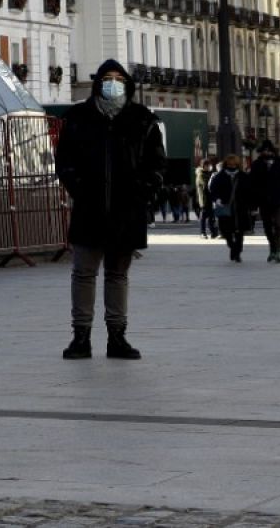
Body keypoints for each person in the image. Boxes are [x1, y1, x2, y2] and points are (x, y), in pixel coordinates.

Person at [55, 60, 164, 361]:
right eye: (107, 78)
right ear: (97, 83)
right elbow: (63, 159)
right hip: (89, 209)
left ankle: (117, 336)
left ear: (126, 83)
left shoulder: (142, 120)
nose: (112, 82)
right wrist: (78, 187)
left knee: (117, 275)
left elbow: (156, 164)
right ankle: (81, 336)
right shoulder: (78, 117)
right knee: (83, 273)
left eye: (118, 78)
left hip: (126, 211)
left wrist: (143, 191)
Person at [207, 153, 250, 263]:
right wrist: (217, 199)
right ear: (226, 164)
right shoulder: (220, 176)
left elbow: (250, 191)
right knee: (226, 231)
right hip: (225, 207)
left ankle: (237, 251)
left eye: (234, 164)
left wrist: (251, 204)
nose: (232, 166)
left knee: (240, 232)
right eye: (230, 164)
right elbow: (212, 190)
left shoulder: (243, 176)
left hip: (240, 208)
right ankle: (232, 246)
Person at [194, 156, 216, 238]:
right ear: (203, 166)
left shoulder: (209, 174)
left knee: (211, 216)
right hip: (204, 199)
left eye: (209, 165)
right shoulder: (201, 175)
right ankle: (202, 232)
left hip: (210, 198)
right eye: (207, 165)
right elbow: (206, 185)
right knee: (203, 216)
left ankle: (213, 232)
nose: (208, 167)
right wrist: (212, 178)